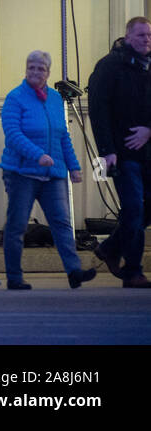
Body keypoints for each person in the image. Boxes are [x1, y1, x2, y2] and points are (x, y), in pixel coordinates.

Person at [0, 50, 96, 290]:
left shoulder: (54, 99)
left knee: (62, 222)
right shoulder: (15, 98)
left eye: (40, 68)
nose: (35, 72)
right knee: (17, 225)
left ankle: (74, 271)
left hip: (53, 175)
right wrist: (37, 154)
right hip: (21, 173)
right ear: (25, 69)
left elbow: (63, 137)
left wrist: (74, 167)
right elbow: (13, 135)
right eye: (31, 67)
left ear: (48, 73)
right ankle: (14, 276)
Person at [88, 16, 151, 288]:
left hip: (147, 152)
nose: (146, 40)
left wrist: (149, 129)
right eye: (141, 35)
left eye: (149, 35)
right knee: (134, 207)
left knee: (140, 211)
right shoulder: (110, 66)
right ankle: (133, 270)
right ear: (127, 37)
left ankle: (111, 248)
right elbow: (98, 110)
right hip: (121, 155)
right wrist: (106, 152)